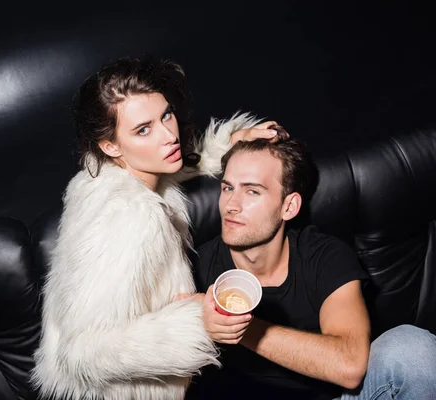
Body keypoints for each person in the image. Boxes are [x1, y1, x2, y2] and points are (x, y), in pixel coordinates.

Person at [30, 55, 279, 400]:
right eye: (143, 129)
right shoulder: (130, 217)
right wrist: (199, 322)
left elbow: (178, 163)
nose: (169, 135)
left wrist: (234, 141)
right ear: (111, 145)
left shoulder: (106, 177)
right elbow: (84, 351)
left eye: (166, 115)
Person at [186, 127, 436, 399]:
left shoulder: (324, 255)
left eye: (252, 192)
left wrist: (240, 328)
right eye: (228, 187)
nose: (231, 204)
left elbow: (349, 365)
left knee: (413, 348)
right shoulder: (195, 266)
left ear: (289, 207)